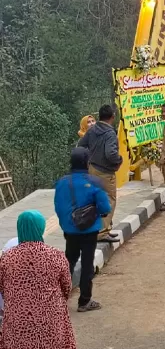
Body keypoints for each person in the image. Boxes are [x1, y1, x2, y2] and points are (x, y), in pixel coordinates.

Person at [0, 211, 77, 349]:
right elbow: (66, 287)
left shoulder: (6, 259)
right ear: (40, 228)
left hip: (17, 323)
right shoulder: (56, 255)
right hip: (50, 320)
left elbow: (2, 288)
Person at [54, 147, 111, 312]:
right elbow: (105, 207)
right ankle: (85, 301)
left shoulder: (62, 182)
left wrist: (66, 222)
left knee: (68, 262)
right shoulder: (94, 182)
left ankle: (59, 298)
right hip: (89, 230)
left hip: (69, 230)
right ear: (86, 162)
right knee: (87, 263)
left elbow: (58, 206)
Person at [78, 104, 122, 243]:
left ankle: (100, 229)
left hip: (93, 169)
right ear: (112, 117)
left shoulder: (93, 130)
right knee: (108, 199)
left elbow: (81, 145)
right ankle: (102, 232)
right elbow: (110, 153)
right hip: (105, 171)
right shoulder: (110, 133)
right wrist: (118, 160)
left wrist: (90, 159)